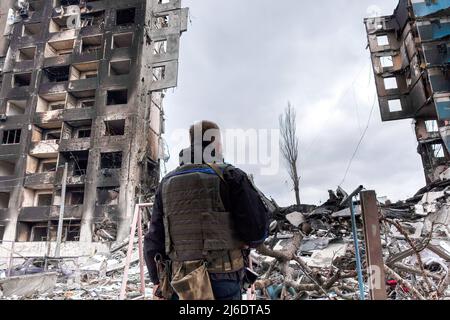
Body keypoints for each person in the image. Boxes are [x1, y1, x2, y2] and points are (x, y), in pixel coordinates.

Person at [144, 120, 269, 300]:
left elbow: (154, 237)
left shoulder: (166, 183)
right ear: (216, 143)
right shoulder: (231, 176)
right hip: (222, 277)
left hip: (179, 280)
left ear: (191, 142)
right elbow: (256, 231)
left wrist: (157, 280)